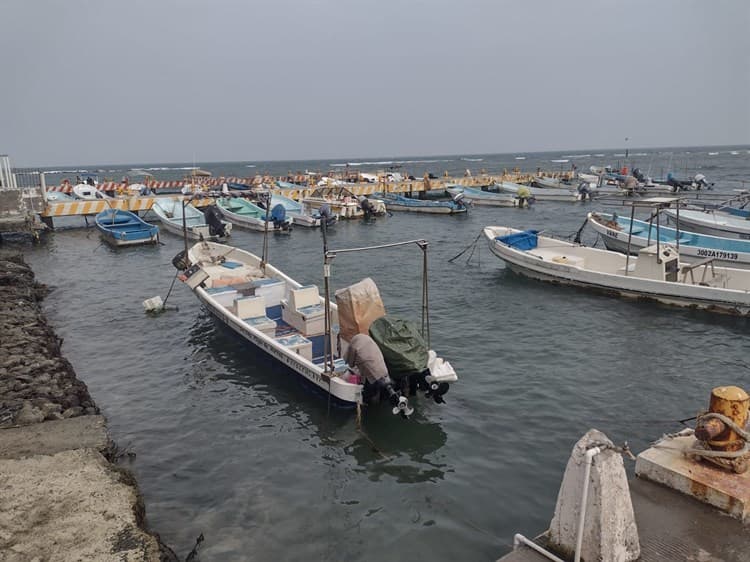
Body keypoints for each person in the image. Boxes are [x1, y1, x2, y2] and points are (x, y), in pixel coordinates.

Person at [344, 334, 400, 406]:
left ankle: (368, 405)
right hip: (381, 366)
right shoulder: (366, 339)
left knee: (371, 390)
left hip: (372, 372)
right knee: (380, 387)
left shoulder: (353, 345)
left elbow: (351, 364)